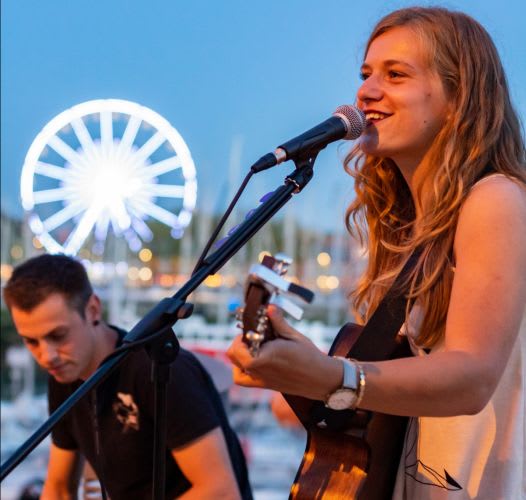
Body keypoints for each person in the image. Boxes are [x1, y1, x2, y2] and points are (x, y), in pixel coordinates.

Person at [227, 6, 526, 499]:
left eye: (395, 75)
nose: (365, 92)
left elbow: (473, 378)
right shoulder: (411, 228)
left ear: (459, 98)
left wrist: (335, 376)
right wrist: (302, 370)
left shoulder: (495, 198)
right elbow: (388, 400)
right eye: (365, 74)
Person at [3, 253, 252, 500]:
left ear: (93, 310)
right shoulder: (64, 376)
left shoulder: (159, 369)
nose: (47, 356)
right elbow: (58, 489)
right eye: (31, 341)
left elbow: (221, 493)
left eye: (58, 336)